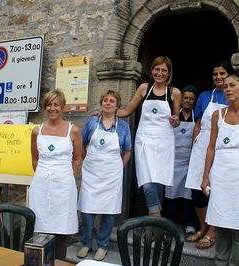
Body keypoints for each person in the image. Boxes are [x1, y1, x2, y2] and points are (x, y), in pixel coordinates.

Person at [200, 74, 239, 265]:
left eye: (232, 85)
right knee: (220, 226)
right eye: (225, 86)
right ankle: (220, 262)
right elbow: (211, 147)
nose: (227, 89)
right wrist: (205, 177)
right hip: (220, 176)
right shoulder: (218, 115)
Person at [116, 56, 182, 218]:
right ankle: (158, 223)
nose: (160, 73)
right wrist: (106, 112)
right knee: (147, 183)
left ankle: (151, 228)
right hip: (144, 141)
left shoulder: (175, 93)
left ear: (168, 73)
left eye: (164, 70)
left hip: (164, 142)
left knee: (158, 183)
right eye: (157, 69)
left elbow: (176, 121)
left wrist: (175, 120)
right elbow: (126, 111)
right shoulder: (144, 88)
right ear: (152, 71)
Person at [185, 61, 235, 249]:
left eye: (222, 73)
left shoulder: (233, 95)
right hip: (202, 145)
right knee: (197, 192)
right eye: (215, 74)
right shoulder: (205, 96)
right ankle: (203, 227)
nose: (219, 77)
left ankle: (212, 231)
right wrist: (194, 146)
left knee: (216, 190)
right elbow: (198, 123)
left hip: (222, 146)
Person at [77, 90, 132, 261]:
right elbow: (82, 144)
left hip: (111, 176)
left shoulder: (123, 127)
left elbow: (128, 150)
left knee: (108, 212)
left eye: (112, 101)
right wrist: (88, 162)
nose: (108, 103)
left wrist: (119, 167)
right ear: (101, 103)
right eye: (105, 100)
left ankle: (103, 245)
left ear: (117, 105)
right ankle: (86, 243)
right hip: (91, 174)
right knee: (87, 210)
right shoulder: (92, 122)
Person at [29, 89, 82, 261]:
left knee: (61, 231)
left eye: (56, 104)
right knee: (42, 228)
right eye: (49, 105)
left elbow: (76, 160)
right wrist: (43, 177)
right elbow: (35, 159)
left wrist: (68, 179)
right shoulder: (37, 131)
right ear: (45, 107)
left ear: (63, 106)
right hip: (42, 186)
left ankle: (58, 262)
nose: (52, 108)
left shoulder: (73, 131)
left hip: (64, 186)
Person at [164, 85, 199, 234]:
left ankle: (189, 223)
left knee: (188, 196)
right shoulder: (173, 116)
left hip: (189, 161)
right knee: (171, 195)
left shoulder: (197, 119)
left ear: (194, 101)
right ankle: (169, 223)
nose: (188, 101)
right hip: (173, 161)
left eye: (191, 99)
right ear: (181, 99)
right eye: (186, 98)